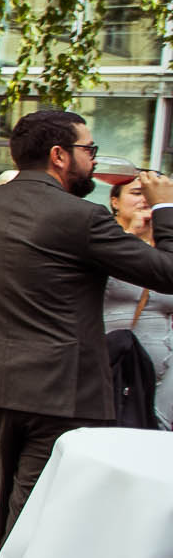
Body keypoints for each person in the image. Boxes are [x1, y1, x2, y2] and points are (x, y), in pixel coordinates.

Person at [0, 111, 173, 542]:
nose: (93, 160)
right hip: (58, 393)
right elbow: (166, 272)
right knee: (39, 518)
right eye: (88, 150)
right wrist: (165, 207)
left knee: (16, 506)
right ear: (59, 155)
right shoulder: (83, 218)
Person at [105, 176, 173, 428]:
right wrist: (131, 233)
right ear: (115, 201)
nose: (146, 199)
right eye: (137, 192)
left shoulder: (168, 249)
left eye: (154, 193)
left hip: (164, 379)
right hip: (117, 371)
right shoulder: (102, 238)